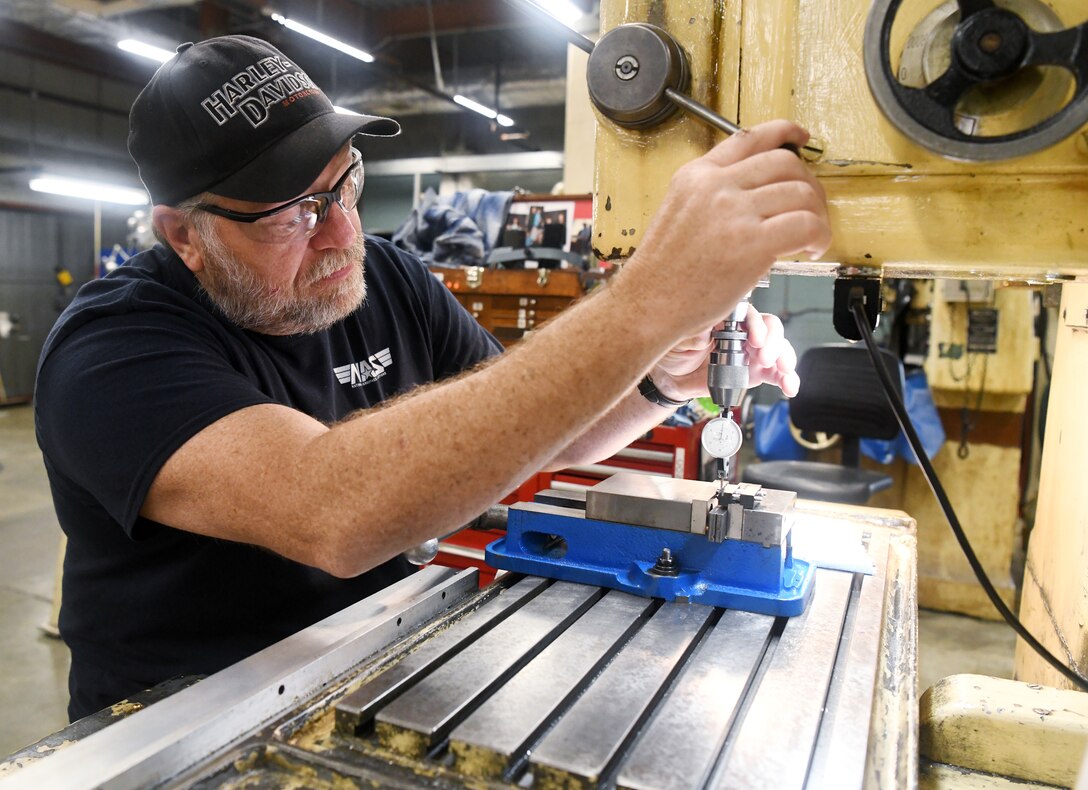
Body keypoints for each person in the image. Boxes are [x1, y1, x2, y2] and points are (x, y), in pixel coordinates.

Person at [34, 35, 830, 721]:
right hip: (186, 721)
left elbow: (519, 438)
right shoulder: (111, 351)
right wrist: (646, 302)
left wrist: (661, 376)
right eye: (294, 214)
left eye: (345, 184)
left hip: (361, 674)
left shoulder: (387, 277)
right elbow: (330, 511)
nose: (344, 232)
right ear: (186, 236)